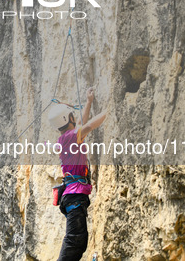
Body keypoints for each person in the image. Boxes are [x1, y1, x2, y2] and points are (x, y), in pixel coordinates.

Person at [48, 88, 106, 260]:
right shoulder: (72, 136)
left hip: (73, 196)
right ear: (69, 118)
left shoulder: (67, 137)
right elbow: (87, 126)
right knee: (75, 241)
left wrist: (88, 102)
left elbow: (82, 123)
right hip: (74, 196)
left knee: (78, 241)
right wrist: (110, 109)